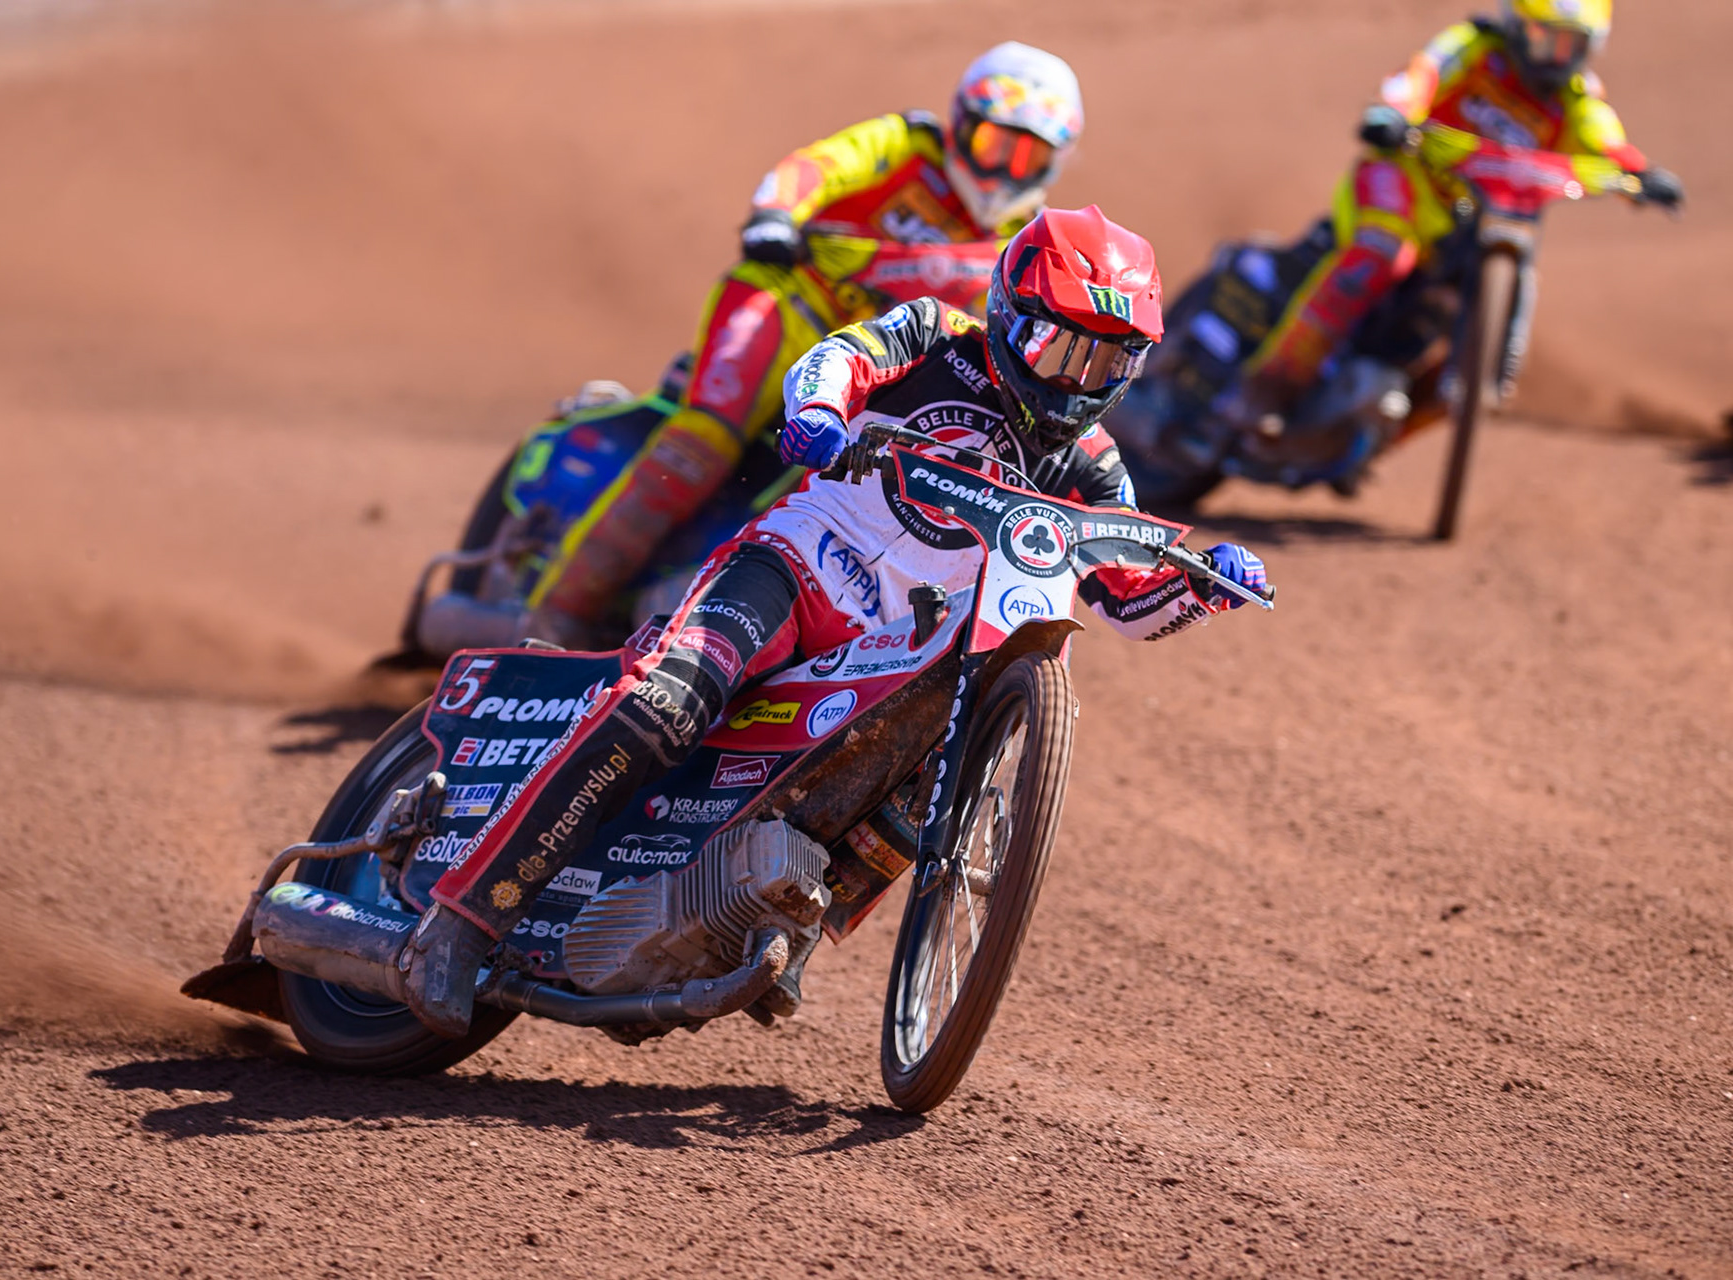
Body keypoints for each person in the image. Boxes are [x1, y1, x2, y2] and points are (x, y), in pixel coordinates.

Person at [398, 207, 1271, 1040]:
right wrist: (817, 416)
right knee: (668, 700)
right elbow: (835, 360)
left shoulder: (1093, 465)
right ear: (1011, 312)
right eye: (1063, 346)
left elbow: (1128, 595)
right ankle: (463, 920)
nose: (1079, 379)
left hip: (899, 650)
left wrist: (1206, 582)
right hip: (800, 570)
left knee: (935, 780)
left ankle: (770, 926)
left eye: (1108, 362)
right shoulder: (935, 334)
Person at [520, 42, 1087, 649]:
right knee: (698, 448)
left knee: (849, 492)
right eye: (994, 144)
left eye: (1029, 154)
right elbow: (817, 168)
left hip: (880, 368)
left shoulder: (1024, 240)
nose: (1004, 169)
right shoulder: (904, 145)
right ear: (960, 125)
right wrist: (775, 213)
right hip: (789, 305)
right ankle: (554, 620)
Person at [1225, 0, 1684, 426]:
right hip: (1406, 182)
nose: (1556, 56)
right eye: (1546, 37)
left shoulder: (1576, 97)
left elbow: (1604, 142)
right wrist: (1392, 112)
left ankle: (1368, 435)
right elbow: (1422, 73)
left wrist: (1642, 177)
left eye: (1572, 45)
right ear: (1519, 26)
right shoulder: (1477, 47)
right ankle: (1268, 386)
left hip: (1475, 225)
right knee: (1383, 252)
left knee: (1469, 324)